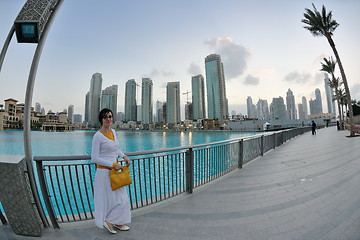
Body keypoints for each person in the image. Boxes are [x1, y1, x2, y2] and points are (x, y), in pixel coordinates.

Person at [91, 108, 131, 234]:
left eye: (110, 116)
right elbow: (95, 158)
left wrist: (124, 156)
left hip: (114, 172)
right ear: (101, 120)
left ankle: (117, 222)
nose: (108, 119)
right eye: (105, 117)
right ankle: (109, 221)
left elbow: (115, 149)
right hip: (104, 173)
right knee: (109, 199)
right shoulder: (97, 136)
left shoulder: (113, 132)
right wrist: (113, 164)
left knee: (122, 199)